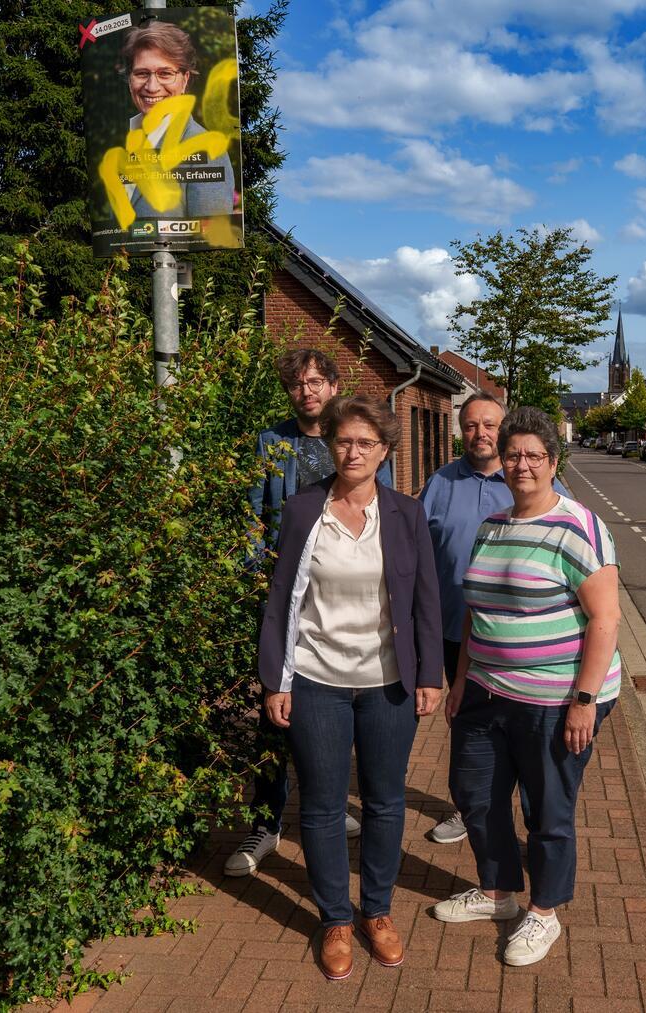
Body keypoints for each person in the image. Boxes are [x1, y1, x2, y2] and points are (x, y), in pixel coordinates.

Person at [258, 394, 443, 980]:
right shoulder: (302, 509)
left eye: (366, 443)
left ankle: (377, 911)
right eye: (344, 441)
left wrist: (430, 674)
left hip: (388, 683)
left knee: (385, 801)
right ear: (330, 446)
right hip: (316, 680)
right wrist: (276, 680)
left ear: (385, 451)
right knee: (321, 804)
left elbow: (426, 599)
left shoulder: (406, 514)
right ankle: (336, 918)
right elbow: (281, 601)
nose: (354, 452)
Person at [432, 406, 621, 968]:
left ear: (553, 462)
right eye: (513, 454)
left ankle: (544, 910)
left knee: (547, 807)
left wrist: (583, 701)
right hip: (486, 690)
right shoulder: (493, 526)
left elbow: (605, 619)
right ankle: (497, 893)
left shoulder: (579, 527)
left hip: (555, 698)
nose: (522, 465)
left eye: (534, 455)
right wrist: (461, 679)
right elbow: (475, 611)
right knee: (476, 794)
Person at [226, 350, 389, 878]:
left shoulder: (355, 440)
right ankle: (266, 822)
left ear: (334, 385)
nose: (307, 391)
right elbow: (254, 517)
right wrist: (262, 579)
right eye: (297, 384)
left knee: (337, 711)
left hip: (345, 604)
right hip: (289, 600)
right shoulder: (272, 443)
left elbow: (380, 513)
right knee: (275, 714)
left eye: (316, 381)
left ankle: (330, 806)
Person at [418, 392, 567, 845]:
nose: (479, 433)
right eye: (470, 425)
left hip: (524, 641)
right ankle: (470, 809)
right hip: (456, 632)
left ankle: (536, 824)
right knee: (468, 722)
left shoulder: (530, 477)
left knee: (528, 733)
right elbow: (418, 555)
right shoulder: (440, 483)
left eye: (489, 425)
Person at [117, 20, 235, 220]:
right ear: (130, 79)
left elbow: (212, 236)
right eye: (142, 73)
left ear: (185, 79)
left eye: (165, 74)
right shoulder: (122, 144)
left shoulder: (206, 151)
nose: (152, 87)